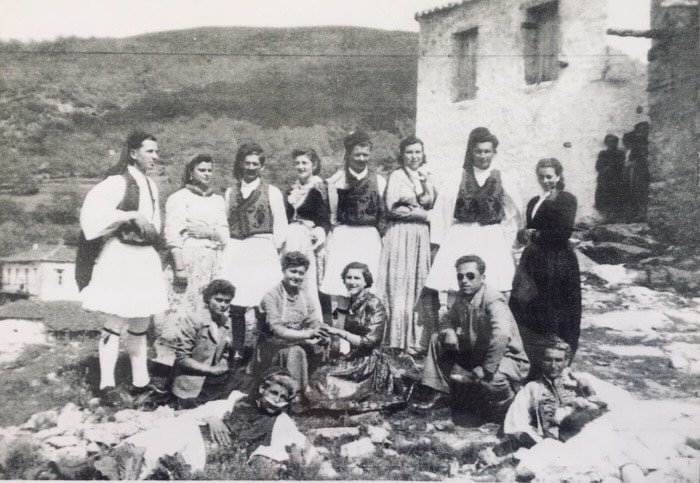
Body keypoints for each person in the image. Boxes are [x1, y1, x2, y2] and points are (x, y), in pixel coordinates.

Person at [79, 130, 169, 406]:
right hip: (121, 256)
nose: (155, 156)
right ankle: (107, 385)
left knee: (141, 322)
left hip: (144, 257)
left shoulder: (152, 186)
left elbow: (155, 223)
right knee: (115, 321)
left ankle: (140, 382)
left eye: (156, 151)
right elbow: (91, 216)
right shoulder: (116, 182)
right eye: (150, 151)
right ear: (133, 153)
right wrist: (129, 215)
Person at [413, 255, 529, 422]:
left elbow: (501, 336)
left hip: (506, 357)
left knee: (492, 381)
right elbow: (447, 318)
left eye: (470, 275)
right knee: (438, 339)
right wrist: (449, 330)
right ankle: (440, 390)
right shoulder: (463, 295)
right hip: (478, 353)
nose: (464, 281)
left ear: (482, 278)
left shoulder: (493, 299)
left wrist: (487, 369)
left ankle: (508, 404)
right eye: (460, 276)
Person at [426, 127, 523, 317]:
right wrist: (440, 241)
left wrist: (507, 238)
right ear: (471, 152)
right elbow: (443, 209)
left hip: (490, 235)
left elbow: (513, 212)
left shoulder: (503, 178)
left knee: (494, 282)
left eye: (487, 151)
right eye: (478, 151)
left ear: (494, 152)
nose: (482, 156)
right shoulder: (458, 177)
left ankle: (490, 325)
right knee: (456, 283)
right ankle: (454, 324)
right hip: (462, 234)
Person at [306, 262, 420, 412]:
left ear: (366, 281)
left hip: (370, 360)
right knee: (319, 375)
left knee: (327, 379)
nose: (352, 282)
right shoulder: (347, 302)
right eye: (348, 278)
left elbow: (370, 342)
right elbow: (339, 330)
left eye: (357, 278)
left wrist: (340, 333)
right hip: (353, 356)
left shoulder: (374, 304)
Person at [509, 158, 581, 376]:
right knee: (527, 303)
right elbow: (528, 229)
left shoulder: (566, 199)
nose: (545, 181)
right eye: (541, 176)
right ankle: (532, 355)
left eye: (549, 176)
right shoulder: (534, 201)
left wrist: (536, 234)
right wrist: (523, 234)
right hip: (534, 261)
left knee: (554, 308)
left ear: (558, 176)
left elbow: (563, 232)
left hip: (557, 263)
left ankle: (557, 357)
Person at [218, 142, 288, 349]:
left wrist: (272, 250)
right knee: (237, 304)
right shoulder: (231, 192)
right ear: (240, 164)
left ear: (262, 167)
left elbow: (281, 226)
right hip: (237, 250)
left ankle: (263, 349)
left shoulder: (272, 192)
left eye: (255, 164)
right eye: (246, 163)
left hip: (262, 249)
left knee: (262, 303)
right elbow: (225, 221)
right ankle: (238, 351)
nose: (250, 168)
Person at [160, 154, 229, 351]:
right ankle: (170, 359)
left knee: (206, 308)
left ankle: (200, 355)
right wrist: (179, 268)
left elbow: (224, 234)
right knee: (182, 308)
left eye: (209, 170)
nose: (207, 174)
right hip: (188, 259)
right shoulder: (179, 198)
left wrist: (209, 232)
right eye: (202, 170)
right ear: (191, 172)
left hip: (212, 261)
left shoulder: (217, 200)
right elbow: (172, 235)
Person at [377, 135, 437, 356]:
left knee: (418, 282)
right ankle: (395, 338)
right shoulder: (396, 176)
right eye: (409, 152)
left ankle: (416, 340)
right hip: (401, 233)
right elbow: (393, 208)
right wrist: (424, 214)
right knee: (399, 283)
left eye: (417, 152)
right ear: (402, 155)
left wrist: (425, 208)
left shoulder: (427, 177)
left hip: (420, 236)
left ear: (423, 154)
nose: (414, 157)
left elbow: (433, 202)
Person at [320, 130, 386, 319]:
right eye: (357, 154)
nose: (361, 159)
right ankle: (341, 339)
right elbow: (331, 214)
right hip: (344, 236)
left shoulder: (379, 181)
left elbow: (383, 213)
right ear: (348, 154)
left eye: (365, 155)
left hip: (369, 237)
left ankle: (366, 334)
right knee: (342, 288)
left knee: (367, 284)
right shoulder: (336, 181)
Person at [503, 338, 606, 446]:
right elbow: (516, 421)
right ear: (541, 361)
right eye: (548, 360)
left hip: (585, 440)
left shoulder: (581, 381)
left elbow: (603, 410)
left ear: (566, 361)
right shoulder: (533, 387)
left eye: (558, 360)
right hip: (550, 443)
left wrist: (588, 394)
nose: (553, 366)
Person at [254, 252, 327, 395]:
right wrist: (308, 334)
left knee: (323, 344)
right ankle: (293, 394)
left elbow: (312, 320)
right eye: (293, 271)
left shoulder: (303, 295)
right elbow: (277, 330)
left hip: (296, 340)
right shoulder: (272, 295)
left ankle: (312, 386)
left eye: (301, 273)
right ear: (283, 271)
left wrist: (322, 331)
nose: (297, 276)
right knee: (296, 352)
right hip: (271, 346)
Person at [171, 279, 250, 409]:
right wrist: (211, 370)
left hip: (213, 385)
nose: (223, 305)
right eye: (218, 300)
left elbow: (225, 351)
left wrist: (223, 363)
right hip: (189, 386)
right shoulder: (194, 320)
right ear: (208, 299)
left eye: (227, 301)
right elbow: (182, 358)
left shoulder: (226, 322)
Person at [283, 148, 330, 322]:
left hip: (310, 241)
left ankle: (314, 325)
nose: (300, 167)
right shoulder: (291, 190)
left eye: (305, 163)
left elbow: (325, 220)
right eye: (297, 163)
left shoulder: (319, 189)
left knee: (310, 283)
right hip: (291, 240)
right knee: (291, 279)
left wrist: (317, 234)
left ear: (314, 165)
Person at [594, 135, 626, 222]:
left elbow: (621, 166)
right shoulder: (603, 154)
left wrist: (612, 168)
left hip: (616, 180)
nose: (612, 143)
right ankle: (606, 218)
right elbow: (598, 167)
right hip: (604, 181)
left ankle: (614, 218)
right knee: (603, 199)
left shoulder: (620, 153)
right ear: (606, 143)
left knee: (615, 198)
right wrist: (606, 169)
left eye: (614, 141)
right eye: (609, 141)